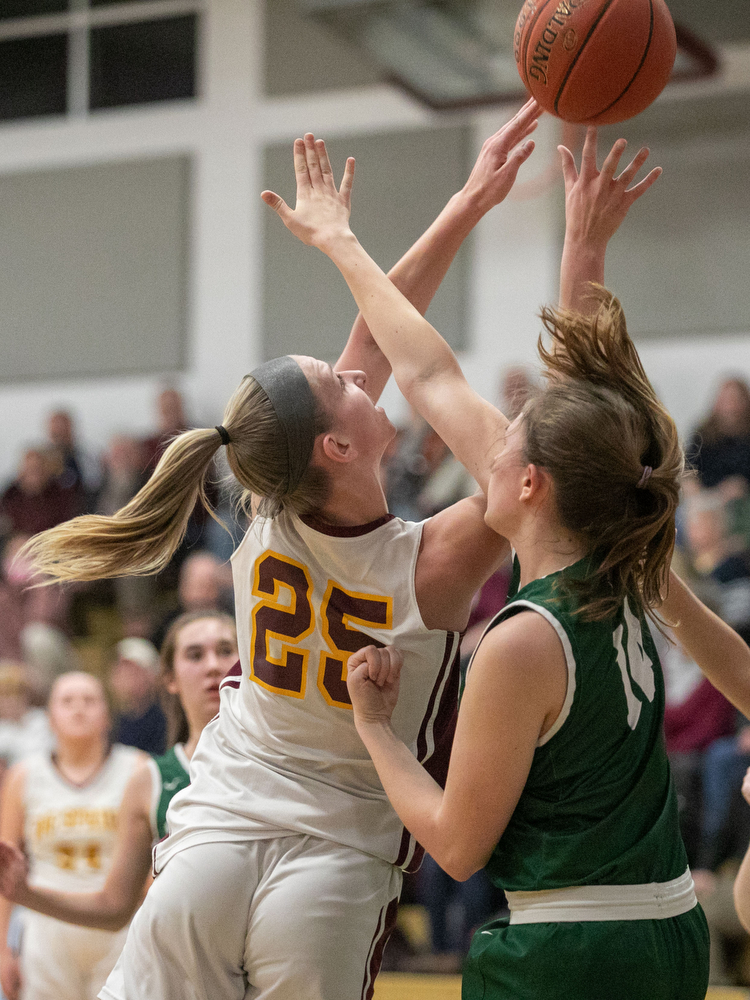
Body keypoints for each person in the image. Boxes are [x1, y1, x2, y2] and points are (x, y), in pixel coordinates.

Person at [18, 102, 553, 1000]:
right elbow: (522, 465)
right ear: (337, 448)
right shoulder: (434, 562)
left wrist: (466, 202)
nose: (354, 371)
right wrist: (473, 213)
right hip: (341, 843)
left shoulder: (266, 494)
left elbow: (380, 330)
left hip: (223, 819)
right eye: (336, 382)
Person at [268, 127, 711, 997]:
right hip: (670, 927)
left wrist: (373, 729)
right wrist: (583, 251)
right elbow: (431, 370)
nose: (482, 451)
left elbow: (458, 845)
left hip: (569, 955)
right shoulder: (621, 545)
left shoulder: (519, 641)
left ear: (532, 486)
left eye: (502, 448)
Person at [0, 612, 238, 935]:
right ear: (169, 678)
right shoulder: (150, 778)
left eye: (226, 651)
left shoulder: (288, 756)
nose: (213, 665)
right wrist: (23, 895)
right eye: (195, 654)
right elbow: (115, 906)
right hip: (60, 940)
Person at [0, 672, 143, 1000]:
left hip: (121, 927)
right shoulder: (23, 776)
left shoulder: (138, 768)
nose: (79, 709)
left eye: (90, 700)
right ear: (49, 718)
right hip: (47, 926)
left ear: (107, 715)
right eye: (67, 701)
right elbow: (4, 867)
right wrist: (3, 950)